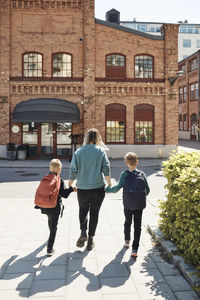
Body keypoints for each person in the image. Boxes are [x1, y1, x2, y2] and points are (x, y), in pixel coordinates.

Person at [69, 128, 111, 251]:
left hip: (82, 188)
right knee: (94, 213)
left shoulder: (79, 152)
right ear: (98, 138)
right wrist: (109, 184)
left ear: (86, 138)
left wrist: (70, 183)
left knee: (83, 210)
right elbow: (106, 168)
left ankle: (83, 231)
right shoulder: (101, 151)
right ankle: (91, 239)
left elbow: (73, 169)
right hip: (98, 187)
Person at [105, 152, 150, 257]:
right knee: (137, 225)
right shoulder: (142, 174)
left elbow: (116, 188)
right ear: (137, 162)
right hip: (139, 204)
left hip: (128, 204)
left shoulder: (124, 174)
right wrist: (141, 196)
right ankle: (135, 249)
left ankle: (127, 241)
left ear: (126, 163)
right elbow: (147, 189)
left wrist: (107, 189)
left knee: (127, 222)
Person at [35, 159, 75, 256]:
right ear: (58, 169)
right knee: (54, 227)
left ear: (51, 168)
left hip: (44, 206)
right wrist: (71, 189)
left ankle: (50, 238)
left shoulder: (46, 177)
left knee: (50, 221)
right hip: (54, 206)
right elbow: (64, 194)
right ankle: (49, 248)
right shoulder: (59, 179)